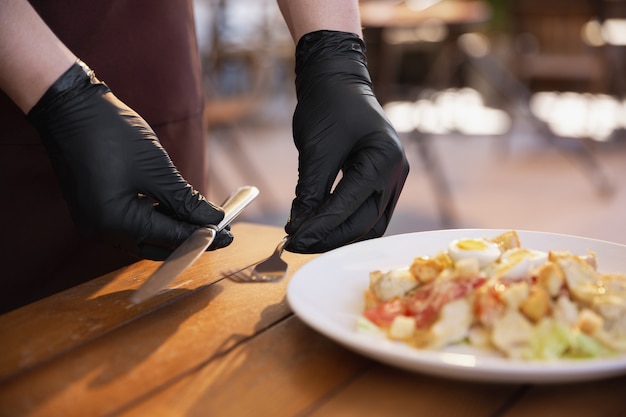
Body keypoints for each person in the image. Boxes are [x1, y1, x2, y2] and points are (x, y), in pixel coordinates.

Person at [0, 0, 409, 312]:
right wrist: (59, 93)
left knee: (177, 306)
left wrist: (335, 53)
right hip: (17, 91)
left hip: (160, 65)